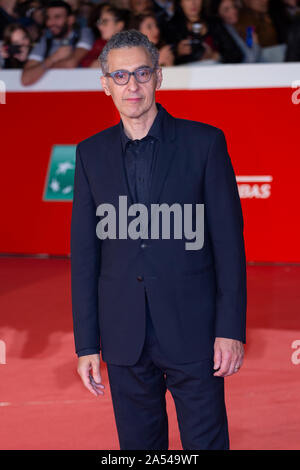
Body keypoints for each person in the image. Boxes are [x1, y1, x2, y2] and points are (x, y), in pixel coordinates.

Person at [71, 29, 247, 450]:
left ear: (159, 77)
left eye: (142, 73)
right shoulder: (90, 153)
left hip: (195, 331)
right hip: (122, 336)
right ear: (105, 84)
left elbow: (229, 245)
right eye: (120, 75)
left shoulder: (205, 143)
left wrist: (230, 329)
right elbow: (84, 256)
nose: (132, 85)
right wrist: (86, 344)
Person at [21, 0, 94, 85]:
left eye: (57, 17)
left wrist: (42, 68)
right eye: (48, 18)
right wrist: (53, 58)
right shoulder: (45, 41)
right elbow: (25, 79)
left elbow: (70, 64)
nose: (50, 23)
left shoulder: (83, 33)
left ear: (71, 19)